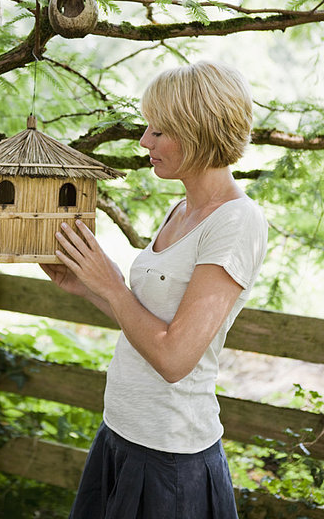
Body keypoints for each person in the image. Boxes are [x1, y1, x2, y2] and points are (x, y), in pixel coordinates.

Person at [41, 60, 268, 519]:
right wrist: (88, 288)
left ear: (198, 131)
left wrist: (112, 284)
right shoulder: (181, 210)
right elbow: (150, 324)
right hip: (120, 434)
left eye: (159, 131)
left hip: (169, 458)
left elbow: (173, 358)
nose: (145, 141)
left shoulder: (237, 222)